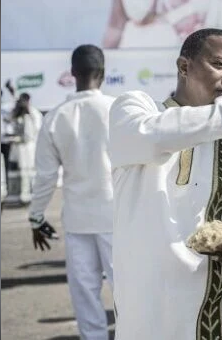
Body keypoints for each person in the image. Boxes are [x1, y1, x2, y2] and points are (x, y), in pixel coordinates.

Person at [109, 28, 222, 340]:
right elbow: (152, 137)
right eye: (220, 65)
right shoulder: (136, 109)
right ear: (184, 67)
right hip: (152, 309)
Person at [28, 44, 115, 340]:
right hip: (118, 217)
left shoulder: (55, 117)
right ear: (103, 74)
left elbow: (46, 177)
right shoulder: (117, 110)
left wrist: (36, 218)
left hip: (78, 220)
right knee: (128, 292)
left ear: (73, 73)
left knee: (84, 294)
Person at [10, 93, 43, 203]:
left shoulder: (33, 113)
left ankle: (33, 195)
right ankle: (22, 196)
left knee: (30, 172)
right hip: (19, 147)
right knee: (21, 172)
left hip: (29, 147)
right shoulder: (19, 113)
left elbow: (36, 129)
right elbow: (10, 120)